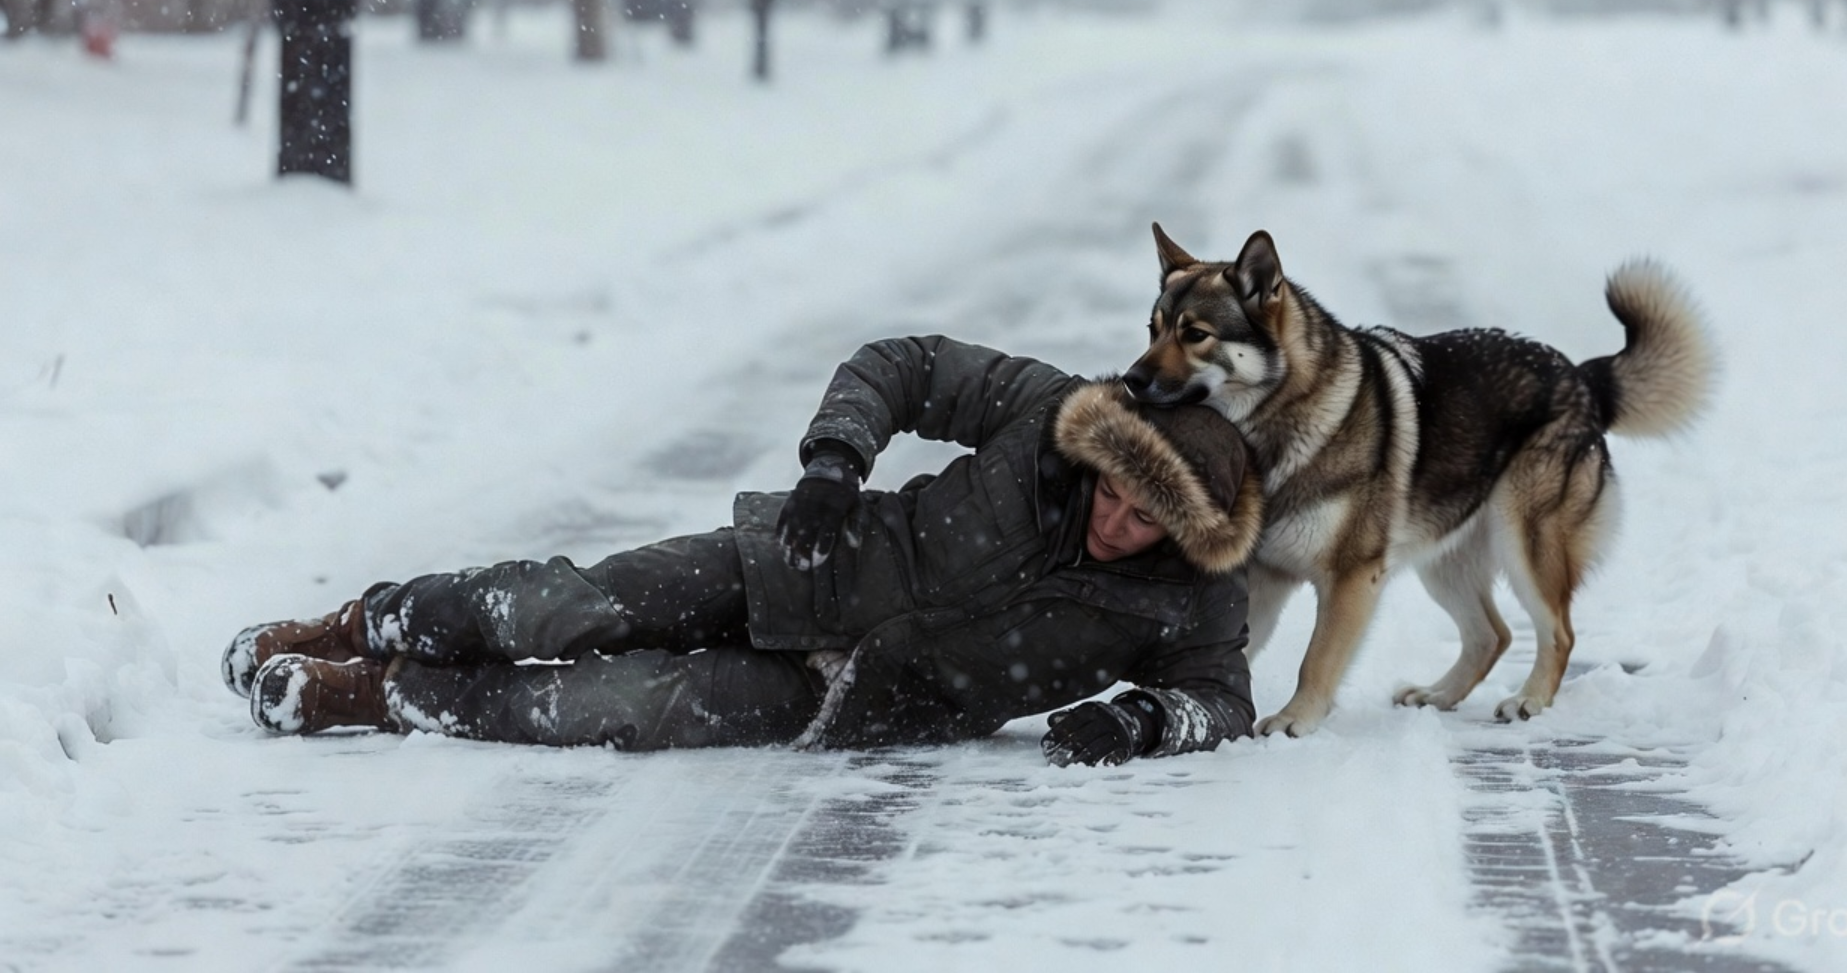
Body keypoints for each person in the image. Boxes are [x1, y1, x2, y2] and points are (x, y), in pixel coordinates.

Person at [224, 336, 1265, 767]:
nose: (1114, 522)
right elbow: (896, 367)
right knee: (570, 603)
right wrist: (832, 466)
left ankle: (382, 695)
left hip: (855, 697)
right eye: (1112, 493)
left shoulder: (1193, 599)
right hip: (803, 558)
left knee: (613, 707)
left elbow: (1223, 701)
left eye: (1144, 523)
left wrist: (1142, 717)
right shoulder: (1049, 416)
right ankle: (370, 621)